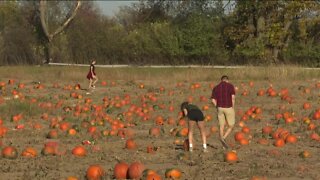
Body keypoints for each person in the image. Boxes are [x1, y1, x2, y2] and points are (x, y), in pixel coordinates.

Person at [211, 75, 235, 149]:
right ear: (227, 80)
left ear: (221, 80)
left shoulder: (216, 87)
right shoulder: (230, 86)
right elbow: (233, 98)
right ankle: (223, 138)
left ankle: (222, 140)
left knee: (221, 126)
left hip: (220, 108)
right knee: (231, 125)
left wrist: (217, 106)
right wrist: (232, 107)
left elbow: (212, 100)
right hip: (228, 107)